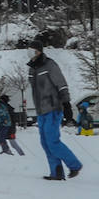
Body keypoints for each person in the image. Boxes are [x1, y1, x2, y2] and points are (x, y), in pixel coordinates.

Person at [28, 39, 82, 181]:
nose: (30, 52)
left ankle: (74, 165)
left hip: (53, 108)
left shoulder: (50, 65)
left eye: (33, 49)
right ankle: (56, 172)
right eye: (29, 49)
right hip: (41, 111)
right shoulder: (32, 68)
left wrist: (67, 104)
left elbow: (61, 84)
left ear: (39, 51)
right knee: (45, 143)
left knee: (52, 141)